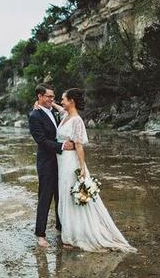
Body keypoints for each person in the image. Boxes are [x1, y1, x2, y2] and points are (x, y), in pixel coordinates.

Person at [53, 88, 137, 252]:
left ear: (72, 101)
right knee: (64, 194)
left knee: (73, 197)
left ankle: (73, 236)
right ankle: (70, 232)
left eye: (63, 99)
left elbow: (79, 146)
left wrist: (82, 167)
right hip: (61, 162)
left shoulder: (76, 120)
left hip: (71, 163)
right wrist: (49, 104)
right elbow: (60, 109)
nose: (61, 102)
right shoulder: (66, 115)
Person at [28, 83, 75, 247]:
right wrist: (62, 146)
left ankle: (60, 228)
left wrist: (52, 104)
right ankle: (40, 234)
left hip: (61, 162)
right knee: (45, 198)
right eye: (48, 96)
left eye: (53, 97)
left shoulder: (53, 111)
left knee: (60, 195)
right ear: (39, 97)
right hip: (46, 163)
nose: (51, 99)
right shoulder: (34, 116)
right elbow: (41, 141)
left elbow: (66, 112)